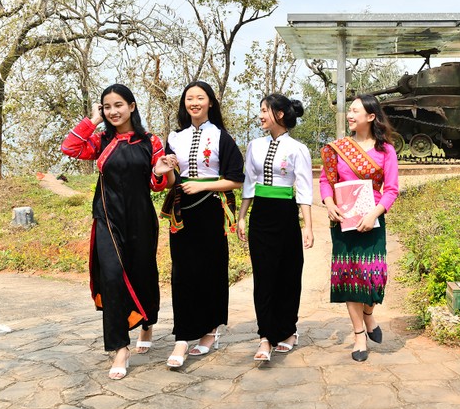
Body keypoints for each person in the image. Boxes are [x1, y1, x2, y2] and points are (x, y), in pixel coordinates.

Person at [61, 84, 174, 379]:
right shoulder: (100, 141)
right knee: (111, 278)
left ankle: (146, 324)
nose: (113, 111)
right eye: (107, 106)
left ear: (132, 106)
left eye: (118, 105)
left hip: (140, 219)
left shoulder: (151, 141)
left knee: (142, 273)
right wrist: (93, 120)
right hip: (107, 217)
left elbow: (157, 184)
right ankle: (120, 348)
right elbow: (70, 148)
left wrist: (160, 171)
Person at [160, 81, 245, 369]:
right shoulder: (175, 137)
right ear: (184, 104)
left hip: (210, 209)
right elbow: (170, 181)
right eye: (189, 98)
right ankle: (182, 337)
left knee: (212, 269)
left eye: (200, 97)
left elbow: (236, 179)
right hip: (182, 211)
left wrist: (203, 187)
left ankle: (210, 330)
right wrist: (168, 171)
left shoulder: (221, 136)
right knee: (182, 272)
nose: (194, 102)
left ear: (210, 103)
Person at [319, 94, 399, 362]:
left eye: (355, 111)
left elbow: (391, 189)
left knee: (375, 278)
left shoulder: (385, 150)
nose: (350, 115)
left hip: (373, 220)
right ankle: (358, 335)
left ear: (371, 116)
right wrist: (329, 203)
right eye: (349, 111)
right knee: (350, 279)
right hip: (344, 222)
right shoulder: (337, 149)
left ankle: (368, 313)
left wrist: (374, 212)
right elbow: (325, 181)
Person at [237, 93, 314, 362]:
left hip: (285, 215)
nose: (260, 116)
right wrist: (242, 216)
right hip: (260, 215)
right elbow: (249, 182)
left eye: (264, 110)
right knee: (264, 275)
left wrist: (308, 226)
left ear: (279, 114)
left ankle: (288, 330)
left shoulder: (298, 149)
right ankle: (265, 336)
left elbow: (304, 189)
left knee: (288, 274)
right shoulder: (254, 146)